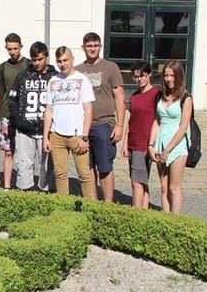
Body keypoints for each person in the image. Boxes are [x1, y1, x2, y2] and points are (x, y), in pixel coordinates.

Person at [75, 32, 125, 202]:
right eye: (89, 46)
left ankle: (108, 204)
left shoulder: (111, 67)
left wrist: (120, 126)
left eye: (96, 45)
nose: (93, 49)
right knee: (87, 166)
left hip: (104, 123)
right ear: (83, 48)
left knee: (104, 166)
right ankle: (92, 201)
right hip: (83, 126)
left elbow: (119, 97)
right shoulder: (78, 71)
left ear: (100, 46)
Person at [42, 46, 95, 197]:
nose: (62, 64)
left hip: (77, 135)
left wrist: (85, 136)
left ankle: (90, 208)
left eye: (65, 60)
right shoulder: (53, 81)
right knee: (60, 174)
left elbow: (88, 110)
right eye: (59, 61)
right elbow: (49, 110)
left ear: (72, 60)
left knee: (84, 175)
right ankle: (63, 207)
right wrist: (46, 136)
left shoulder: (82, 79)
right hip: (57, 135)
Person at [7, 41, 55, 192]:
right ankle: (24, 194)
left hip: (46, 130)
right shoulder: (23, 76)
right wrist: (18, 120)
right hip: (25, 129)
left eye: (40, 59)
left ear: (46, 57)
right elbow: (12, 100)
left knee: (46, 165)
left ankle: (45, 192)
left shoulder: (54, 77)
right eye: (33, 59)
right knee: (24, 164)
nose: (36, 63)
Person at [149, 59, 193, 214]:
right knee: (163, 187)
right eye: (166, 75)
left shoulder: (186, 98)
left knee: (174, 187)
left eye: (172, 75)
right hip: (160, 142)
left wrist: (168, 150)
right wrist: (151, 145)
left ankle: (176, 221)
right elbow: (157, 120)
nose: (168, 79)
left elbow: (183, 128)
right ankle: (166, 218)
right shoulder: (161, 95)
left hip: (176, 146)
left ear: (179, 76)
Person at [122, 60, 159, 209]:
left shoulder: (156, 94)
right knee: (140, 180)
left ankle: (136, 212)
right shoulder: (135, 96)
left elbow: (159, 119)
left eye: (142, 76)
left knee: (137, 181)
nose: (139, 79)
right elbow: (130, 119)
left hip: (144, 144)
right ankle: (144, 210)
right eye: (136, 77)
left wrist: (152, 143)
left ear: (149, 75)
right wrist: (124, 143)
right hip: (133, 142)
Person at [0, 33, 29, 189]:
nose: (13, 52)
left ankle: (24, 185)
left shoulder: (29, 64)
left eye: (15, 48)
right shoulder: (2, 68)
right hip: (7, 117)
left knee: (25, 153)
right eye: (9, 49)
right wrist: (2, 118)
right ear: (6, 48)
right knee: (8, 152)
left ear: (21, 47)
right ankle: (7, 186)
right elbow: (1, 94)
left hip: (26, 116)